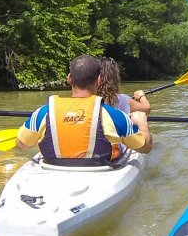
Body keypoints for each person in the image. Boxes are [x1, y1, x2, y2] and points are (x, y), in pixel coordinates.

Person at [14, 54, 152, 164]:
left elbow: (21, 145)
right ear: (98, 80)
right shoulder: (114, 116)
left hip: (53, 169)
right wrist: (142, 123)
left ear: (69, 79)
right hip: (99, 170)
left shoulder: (44, 112)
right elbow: (145, 148)